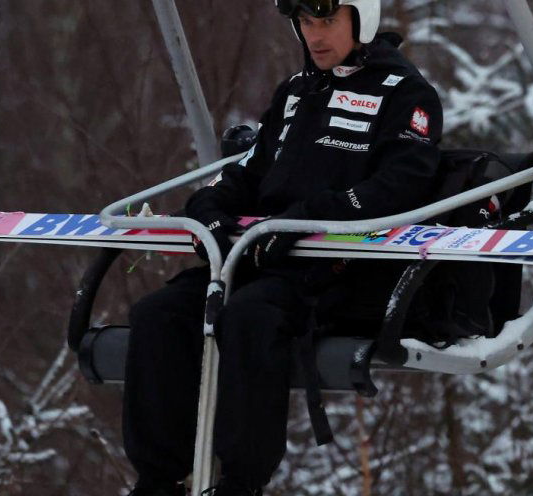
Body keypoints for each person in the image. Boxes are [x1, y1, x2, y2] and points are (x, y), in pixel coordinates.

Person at [124, 1, 443, 494]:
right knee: (159, 314)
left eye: (328, 22)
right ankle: (158, 477)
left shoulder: (406, 95)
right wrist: (209, 204)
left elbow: (402, 186)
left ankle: (240, 480)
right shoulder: (296, 92)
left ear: (363, 20)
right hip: (256, 257)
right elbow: (252, 170)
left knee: (250, 316)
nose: (315, 36)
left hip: (336, 270)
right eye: (307, 24)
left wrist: (306, 221)